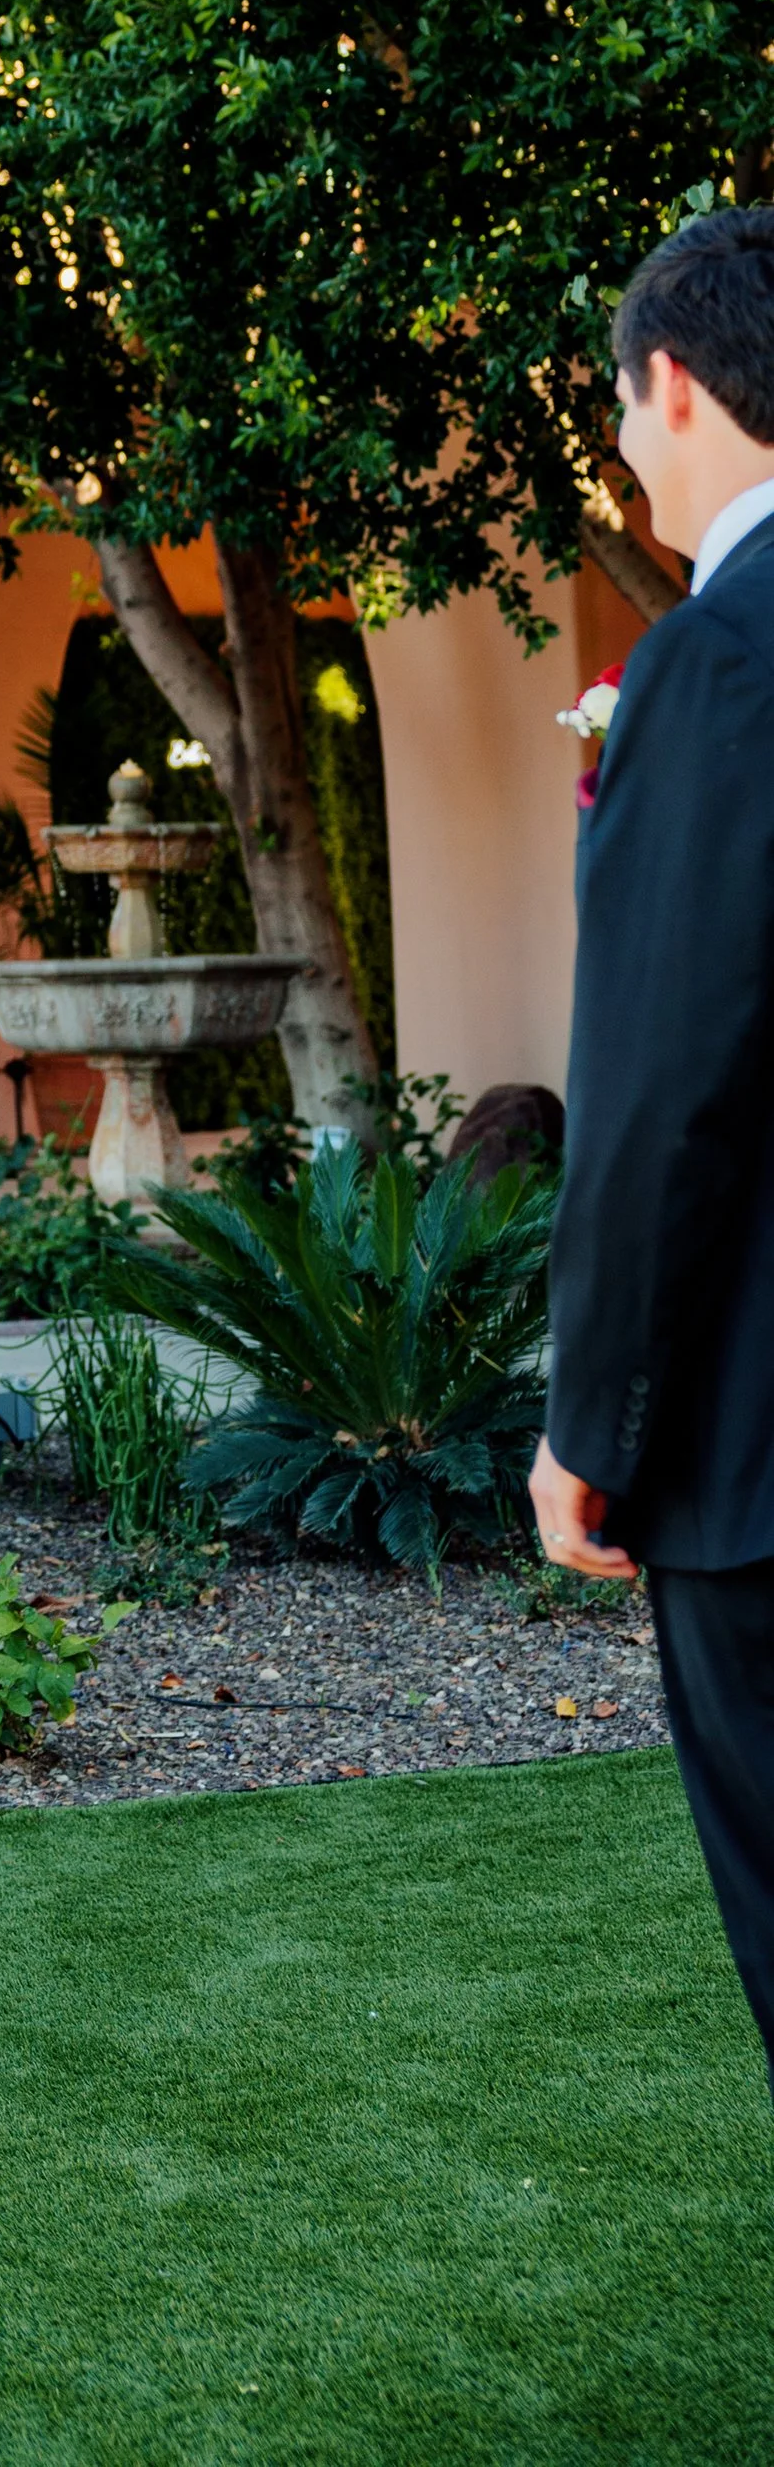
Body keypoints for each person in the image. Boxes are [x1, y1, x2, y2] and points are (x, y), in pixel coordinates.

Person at [536, 206, 774, 2091]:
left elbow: (657, 1093)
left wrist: (587, 1430)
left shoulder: (716, 660)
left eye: (624, 408)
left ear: (675, 384)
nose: (628, 449)